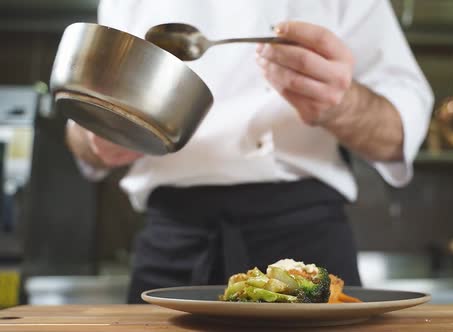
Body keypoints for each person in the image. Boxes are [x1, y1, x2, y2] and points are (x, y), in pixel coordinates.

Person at [66, 0, 433, 303]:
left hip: (304, 245)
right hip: (171, 247)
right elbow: (84, 133)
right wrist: (98, 137)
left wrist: (344, 104)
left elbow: (400, 131)